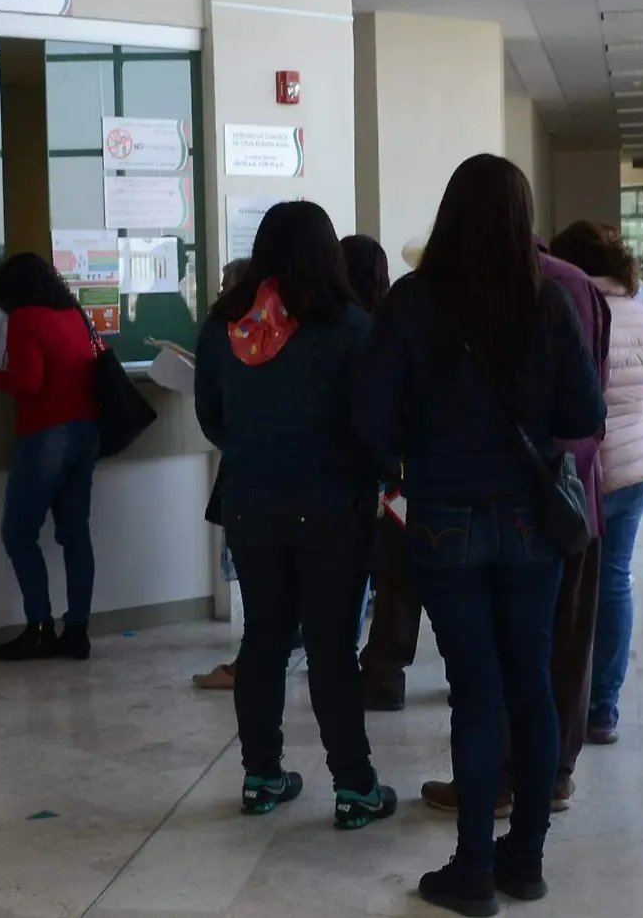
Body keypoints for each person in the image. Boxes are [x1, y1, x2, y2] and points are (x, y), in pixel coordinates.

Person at [357, 154, 606, 916]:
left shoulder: (411, 300)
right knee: (530, 681)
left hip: (444, 515)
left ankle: (471, 868)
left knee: (475, 688)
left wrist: (406, 462)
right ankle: (523, 860)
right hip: (532, 519)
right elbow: (584, 419)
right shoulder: (549, 302)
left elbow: (372, 418)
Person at [194, 203, 396, 829]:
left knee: (263, 641)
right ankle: (355, 788)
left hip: (251, 506)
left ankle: (260, 776)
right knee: (332, 649)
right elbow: (376, 425)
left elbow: (212, 419)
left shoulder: (226, 326)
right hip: (335, 509)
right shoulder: (352, 328)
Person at [413, 208, 613, 817]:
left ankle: (488, 802)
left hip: (454, 500)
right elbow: (589, 401)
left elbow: (385, 408)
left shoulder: (431, 294)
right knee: (557, 651)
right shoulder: (570, 285)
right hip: (562, 494)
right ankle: (549, 785)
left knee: (479, 672)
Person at [548, 221, 643, 747]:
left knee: (565, 592)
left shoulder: (566, 313)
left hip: (574, 479)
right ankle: (604, 709)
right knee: (616, 582)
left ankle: (561, 708)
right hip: (635, 472)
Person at [0, 253, 103, 662]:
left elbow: (29, 383)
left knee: (18, 532)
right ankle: (77, 631)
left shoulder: (25, 318)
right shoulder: (74, 314)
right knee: (75, 533)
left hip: (47, 433)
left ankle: (40, 628)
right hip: (87, 432)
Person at [347, 234, 424, 712]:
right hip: (427, 473)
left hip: (399, 477)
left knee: (399, 575)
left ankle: (383, 673)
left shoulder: (393, 312)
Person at [193, 258, 249, 691]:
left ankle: (249, 666)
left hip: (249, 473)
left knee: (259, 580)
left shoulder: (220, 330)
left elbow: (210, 413)